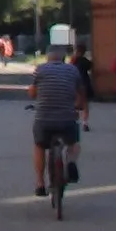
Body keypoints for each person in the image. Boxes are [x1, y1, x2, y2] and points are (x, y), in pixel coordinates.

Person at [27, 43, 88, 197]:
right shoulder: (72, 70)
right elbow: (81, 91)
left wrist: (35, 93)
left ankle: (40, 183)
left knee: (39, 145)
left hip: (44, 119)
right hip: (66, 118)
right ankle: (71, 161)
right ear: (64, 57)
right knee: (73, 144)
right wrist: (79, 105)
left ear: (48, 57)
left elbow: (32, 93)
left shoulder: (40, 69)